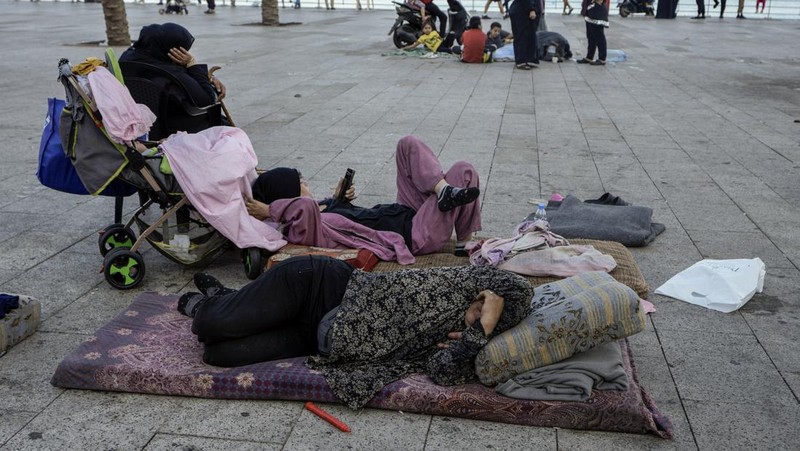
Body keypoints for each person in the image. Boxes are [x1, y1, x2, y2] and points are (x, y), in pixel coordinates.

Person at [179, 255, 533, 409]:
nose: (474, 317)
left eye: (485, 319)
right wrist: (485, 303)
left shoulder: (467, 340)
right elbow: (507, 284)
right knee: (210, 325)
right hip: (318, 287)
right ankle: (208, 302)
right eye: (481, 308)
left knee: (218, 355)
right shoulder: (457, 284)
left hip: (315, 340)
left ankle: (227, 299)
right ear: (484, 293)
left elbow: (442, 372)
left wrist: (480, 330)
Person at [245, 135, 481, 258]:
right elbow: (304, 209)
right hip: (415, 234)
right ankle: (463, 239)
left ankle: (442, 190)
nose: (306, 182)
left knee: (406, 144)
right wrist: (268, 211)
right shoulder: (301, 226)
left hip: (405, 211)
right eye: (300, 182)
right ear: (290, 197)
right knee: (464, 171)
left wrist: (337, 199)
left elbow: (321, 211)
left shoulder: (320, 210)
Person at [119, 23, 227, 135]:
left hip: (134, 128)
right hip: (174, 132)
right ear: (173, 52)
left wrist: (208, 77)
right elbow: (207, 99)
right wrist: (192, 64)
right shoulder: (171, 73)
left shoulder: (127, 59)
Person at [508, 0, 541, 70]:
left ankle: (528, 59)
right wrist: (531, 9)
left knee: (528, 35)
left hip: (523, 10)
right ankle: (521, 60)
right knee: (522, 36)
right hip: (522, 11)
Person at [577, 0, 608, 66]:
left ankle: (602, 59)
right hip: (591, 9)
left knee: (599, 36)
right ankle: (589, 57)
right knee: (591, 36)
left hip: (597, 10)